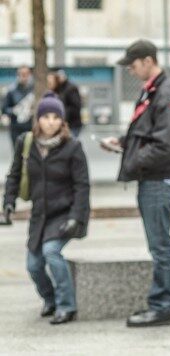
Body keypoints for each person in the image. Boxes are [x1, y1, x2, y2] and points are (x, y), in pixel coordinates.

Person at [100, 39, 170, 327]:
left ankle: (163, 306)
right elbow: (149, 135)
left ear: (148, 61)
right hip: (155, 179)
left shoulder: (164, 93)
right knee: (163, 244)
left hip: (158, 181)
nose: (131, 71)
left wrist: (133, 159)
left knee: (160, 246)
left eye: (133, 65)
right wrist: (124, 144)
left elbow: (166, 144)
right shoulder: (154, 92)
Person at [1, 92, 90, 325]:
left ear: (62, 120)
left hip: (64, 213)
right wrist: (8, 202)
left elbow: (82, 186)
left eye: (55, 116)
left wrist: (76, 217)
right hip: (39, 214)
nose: (51, 121)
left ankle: (67, 305)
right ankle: (50, 299)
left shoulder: (73, 147)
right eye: (46, 116)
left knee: (51, 252)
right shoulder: (26, 143)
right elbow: (14, 175)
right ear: (37, 119)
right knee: (33, 264)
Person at [2, 65, 34, 147]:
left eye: (26, 74)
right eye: (22, 74)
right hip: (16, 127)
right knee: (17, 152)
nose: (24, 76)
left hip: (31, 127)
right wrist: (14, 111)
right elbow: (4, 109)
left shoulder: (34, 89)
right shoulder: (11, 90)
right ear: (18, 74)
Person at [54, 70, 83, 138]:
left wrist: (64, 115)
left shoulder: (71, 88)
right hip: (66, 123)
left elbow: (76, 106)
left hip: (72, 124)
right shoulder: (59, 88)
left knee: (71, 145)